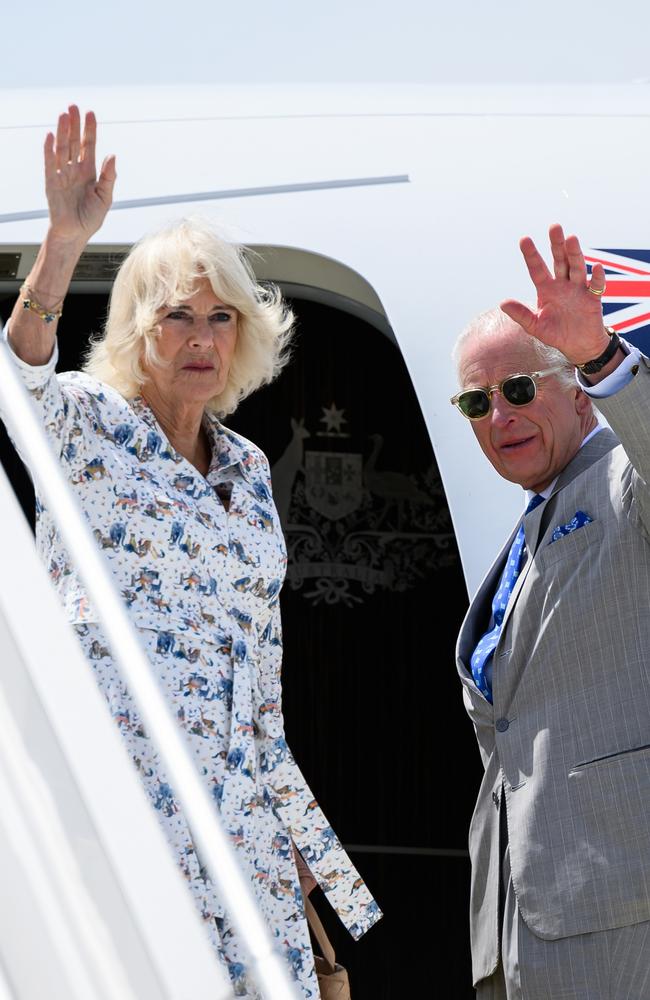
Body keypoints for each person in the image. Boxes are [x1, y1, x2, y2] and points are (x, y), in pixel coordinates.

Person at [2, 104, 381, 998]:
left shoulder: (249, 469)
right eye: (178, 316)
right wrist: (62, 244)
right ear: (140, 329)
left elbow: (260, 680)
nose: (202, 338)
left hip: (243, 823)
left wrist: (296, 849)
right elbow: (18, 377)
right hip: (119, 811)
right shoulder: (88, 428)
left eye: (220, 317)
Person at [450, 223, 650, 999]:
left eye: (520, 389)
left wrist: (603, 355)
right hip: (521, 927)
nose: (499, 417)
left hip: (620, 916)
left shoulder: (621, 483)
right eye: (477, 400)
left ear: (576, 393)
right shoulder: (534, 518)